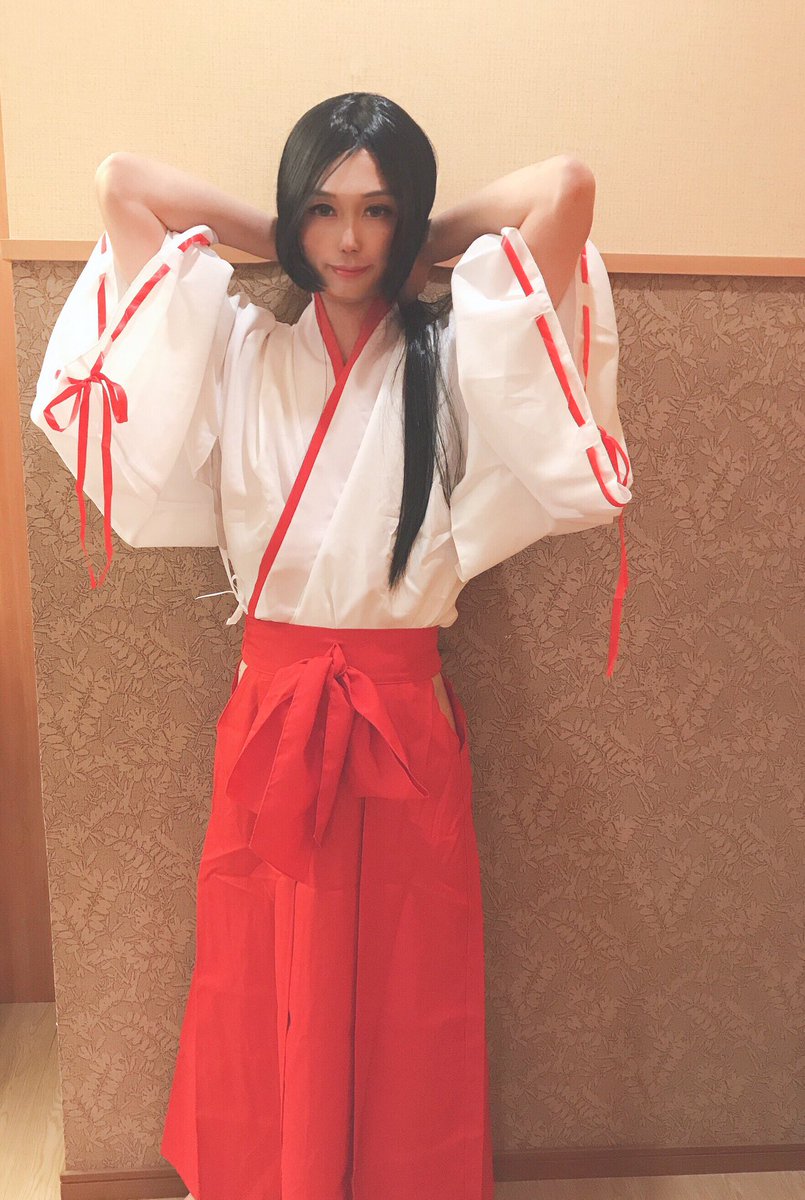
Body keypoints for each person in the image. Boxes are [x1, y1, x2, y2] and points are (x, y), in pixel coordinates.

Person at [30, 93, 633, 1200]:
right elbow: (123, 183)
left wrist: (420, 248)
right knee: (261, 977)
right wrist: (283, 234)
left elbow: (566, 189)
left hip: (402, 720)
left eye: (376, 211)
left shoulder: (456, 356)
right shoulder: (240, 350)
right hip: (273, 713)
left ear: (409, 221)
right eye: (323, 209)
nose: (348, 239)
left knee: (408, 987)